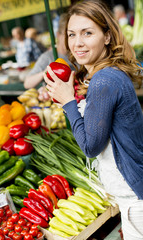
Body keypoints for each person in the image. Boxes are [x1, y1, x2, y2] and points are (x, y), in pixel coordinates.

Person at [44, 1, 143, 240]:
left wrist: (69, 102)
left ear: (107, 36)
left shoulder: (103, 80)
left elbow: (90, 146)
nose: (77, 42)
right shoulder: (107, 74)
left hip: (137, 200)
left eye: (88, 33)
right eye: (72, 34)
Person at [24, 13, 74, 89]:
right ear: (58, 35)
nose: (70, 39)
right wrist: (46, 71)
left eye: (72, 35)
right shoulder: (48, 57)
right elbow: (27, 83)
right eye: (67, 35)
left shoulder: (77, 54)